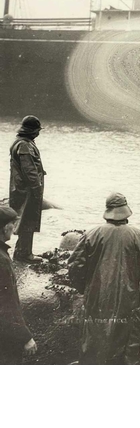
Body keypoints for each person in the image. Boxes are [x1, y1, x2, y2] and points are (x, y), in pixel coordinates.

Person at [68, 193, 140, 365]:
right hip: (129, 301)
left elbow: (74, 266)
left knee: (93, 343)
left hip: (97, 299)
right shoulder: (138, 237)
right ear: (126, 213)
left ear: (108, 212)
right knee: (128, 348)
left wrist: (85, 289)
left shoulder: (92, 234)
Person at [0, 206, 37, 364]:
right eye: (13, 224)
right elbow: (7, 302)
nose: (14, 229)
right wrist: (25, 336)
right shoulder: (2, 259)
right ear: (5, 227)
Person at [9, 115, 46, 263]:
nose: (38, 133)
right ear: (32, 131)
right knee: (28, 220)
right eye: (37, 130)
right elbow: (29, 171)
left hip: (21, 189)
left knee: (24, 220)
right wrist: (37, 190)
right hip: (27, 191)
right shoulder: (24, 145)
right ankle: (24, 254)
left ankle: (21, 251)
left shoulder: (21, 142)